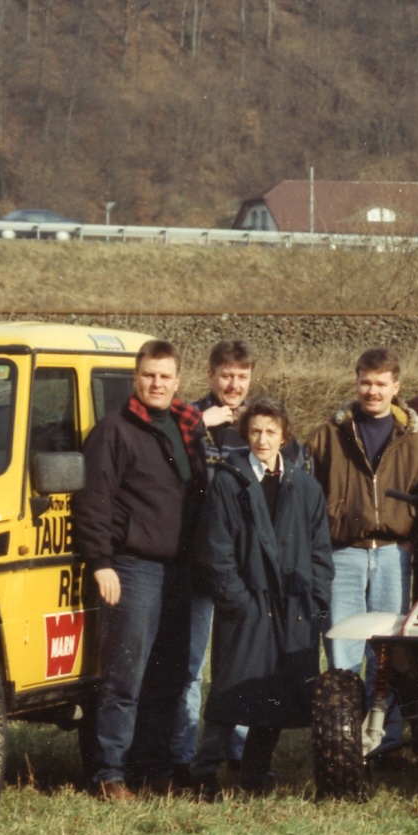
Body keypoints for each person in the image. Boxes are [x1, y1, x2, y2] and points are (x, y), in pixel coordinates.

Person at [71, 339, 205, 800]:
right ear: (135, 378)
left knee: (166, 678)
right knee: (124, 678)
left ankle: (153, 769)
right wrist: (101, 562)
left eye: (165, 376)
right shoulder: (115, 431)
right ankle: (110, 773)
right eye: (149, 375)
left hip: (179, 571)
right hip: (134, 568)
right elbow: (94, 501)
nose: (157, 383)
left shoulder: (189, 429)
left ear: (178, 381)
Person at [193, 400, 333, 794]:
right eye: (255, 431)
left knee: (277, 689)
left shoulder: (304, 486)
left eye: (271, 431)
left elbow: (321, 549)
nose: (262, 439)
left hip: (294, 606)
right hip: (248, 602)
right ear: (245, 435)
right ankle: (205, 772)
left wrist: (315, 597)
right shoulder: (228, 481)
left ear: (284, 436)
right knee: (229, 689)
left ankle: (255, 770)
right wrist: (237, 600)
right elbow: (216, 547)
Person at [306, 348, 418, 761]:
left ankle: (387, 741)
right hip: (344, 553)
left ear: (396, 387)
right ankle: (342, 738)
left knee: (387, 651)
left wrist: (410, 537)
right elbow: (312, 495)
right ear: (356, 382)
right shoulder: (329, 434)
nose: (372, 391)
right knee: (343, 651)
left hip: (392, 556)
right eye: (365, 382)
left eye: (381, 383)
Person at [165, 335, 257, 795]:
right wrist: (201, 422)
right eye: (226, 376)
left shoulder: (259, 424)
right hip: (197, 562)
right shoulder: (188, 416)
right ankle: (183, 753)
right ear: (210, 376)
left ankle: (235, 750)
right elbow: (163, 455)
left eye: (241, 377)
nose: (234, 384)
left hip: (242, 568)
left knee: (236, 662)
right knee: (189, 665)